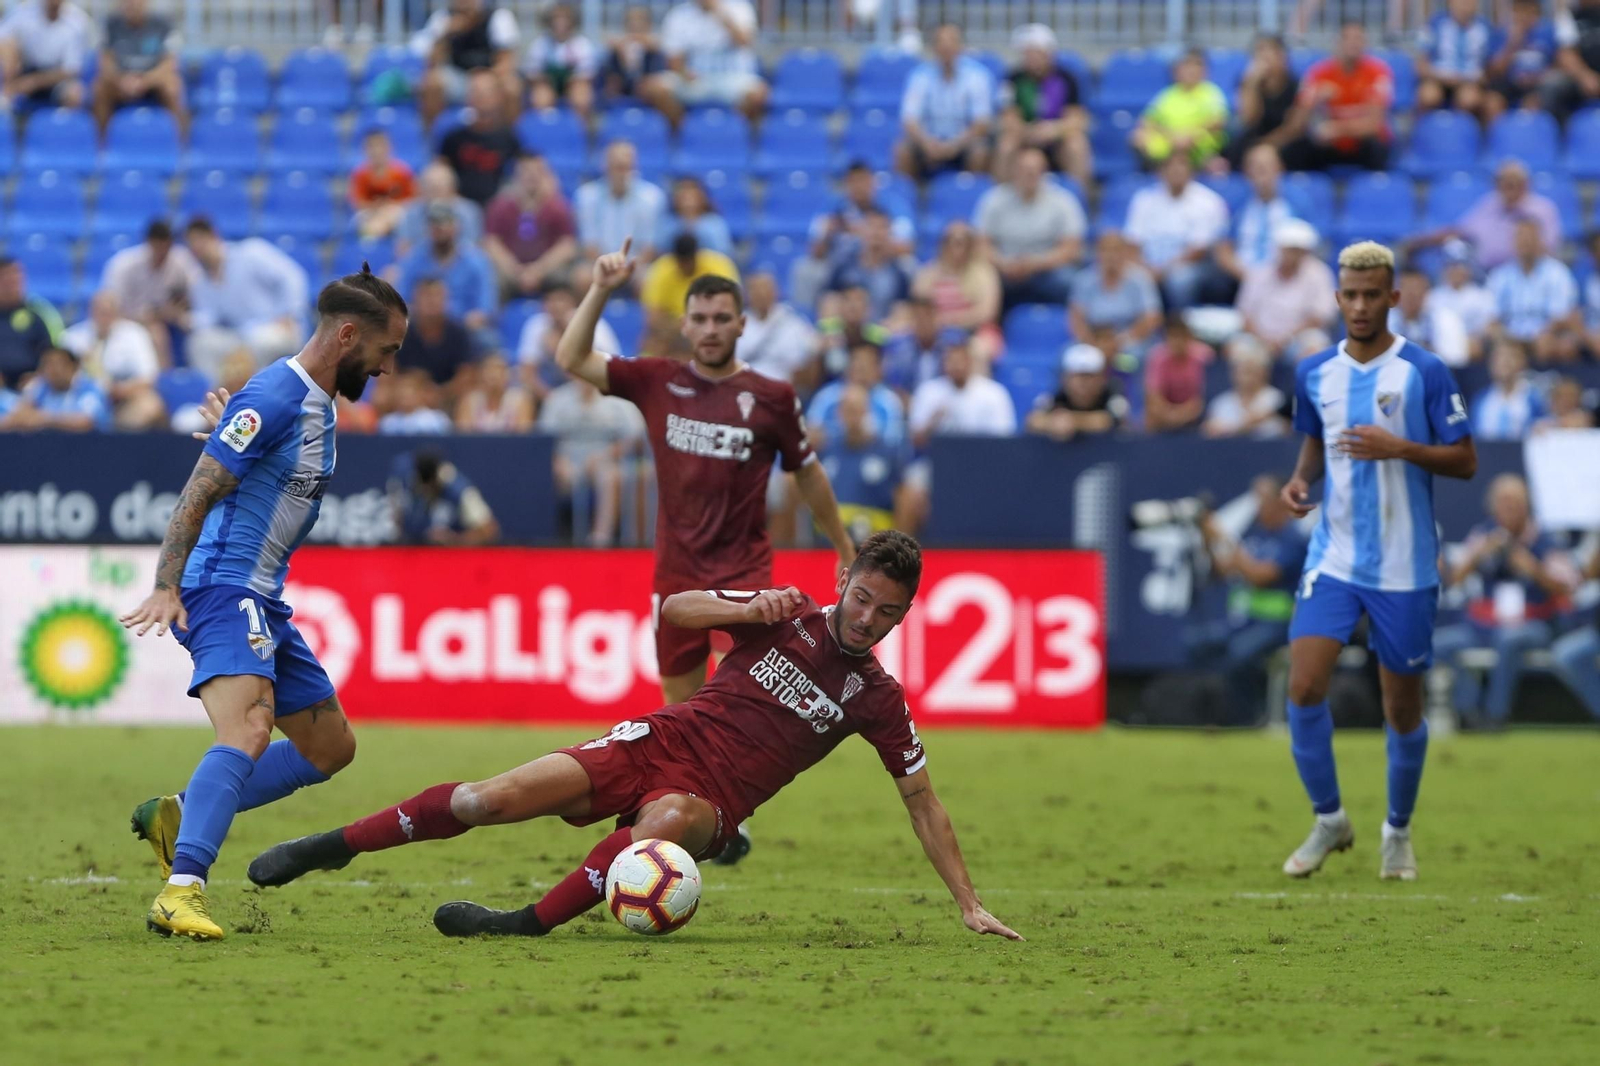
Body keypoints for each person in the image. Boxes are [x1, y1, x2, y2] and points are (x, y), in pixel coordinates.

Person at [246, 533, 1022, 943]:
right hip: (654, 740)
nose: (865, 619)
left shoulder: (879, 700)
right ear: (844, 578)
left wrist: (968, 902)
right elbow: (674, 613)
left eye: (886, 612)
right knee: (489, 799)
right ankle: (335, 843)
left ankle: (521, 924)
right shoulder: (783, 612)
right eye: (861, 598)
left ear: (903, 614)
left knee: (670, 826)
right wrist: (749, 610)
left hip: (715, 799)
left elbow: (921, 799)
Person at [118, 267, 407, 940]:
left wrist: (235, 434)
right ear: (345, 335)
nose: (390, 367)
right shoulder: (279, 394)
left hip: (263, 597)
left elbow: (256, 461)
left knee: (330, 747)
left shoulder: (312, 400)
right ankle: (181, 888)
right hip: (220, 586)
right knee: (248, 729)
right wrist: (167, 583)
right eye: (386, 349)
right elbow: (197, 491)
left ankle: (182, 813)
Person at [554, 242, 858, 864]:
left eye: (724, 318)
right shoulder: (658, 379)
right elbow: (572, 357)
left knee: (750, 699)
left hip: (745, 575)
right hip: (676, 580)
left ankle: (730, 810)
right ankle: (701, 816)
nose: (712, 329)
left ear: (743, 324)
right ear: (684, 323)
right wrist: (602, 288)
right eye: (702, 318)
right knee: (683, 711)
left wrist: (843, 545)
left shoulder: (770, 396)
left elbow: (808, 473)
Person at [1278, 240, 1476, 882]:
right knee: (1304, 684)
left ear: (1393, 298)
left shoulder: (1424, 371)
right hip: (1334, 555)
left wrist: (1399, 447)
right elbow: (1316, 437)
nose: (1360, 306)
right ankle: (1331, 819)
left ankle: (1397, 830)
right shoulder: (1314, 372)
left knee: (1402, 709)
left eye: (1372, 295)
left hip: (1404, 565)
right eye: (1351, 295)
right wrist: (1301, 480)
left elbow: (1466, 460)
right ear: (1337, 298)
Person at [1434, 474, 1576, 730]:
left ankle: (1495, 715)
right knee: (1439, 644)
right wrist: (1477, 556)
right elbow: (1453, 579)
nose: (1508, 509)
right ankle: (1470, 708)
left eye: (1514, 503)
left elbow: (1567, 589)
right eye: (1502, 503)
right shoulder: (1484, 535)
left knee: (1509, 640)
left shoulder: (1544, 539)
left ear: (1527, 506)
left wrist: (1533, 569)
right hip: (1486, 623)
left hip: (1533, 621)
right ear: (1492, 506)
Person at [1188, 474, 1309, 725]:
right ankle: (1214, 713)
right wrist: (1207, 539)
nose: (1257, 505)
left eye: (1262, 498)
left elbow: (1261, 575)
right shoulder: (1256, 536)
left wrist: (1223, 536)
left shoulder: (1292, 539)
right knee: (1198, 643)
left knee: (1240, 653)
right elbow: (1221, 571)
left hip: (1279, 623)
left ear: (1280, 501)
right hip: (1247, 621)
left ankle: (1249, 719)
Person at [184, 218, 310, 381]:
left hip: (275, 326)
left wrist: (290, 313)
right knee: (199, 343)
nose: (197, 249)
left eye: (199, 241)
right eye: (192, 245)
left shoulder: (251, 252)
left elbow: (293, 277)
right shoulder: (200, 281)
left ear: (213, 236)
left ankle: (256, 401)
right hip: (239, 335)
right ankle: (220, 398)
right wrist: (188, 321)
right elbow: (209, 318)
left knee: (259, 343)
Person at [538, 374, 646, 546]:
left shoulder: (618, 400)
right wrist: (559, 461)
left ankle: (600, 539)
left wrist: (607, 455)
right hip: (565, 462)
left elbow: (635, 438)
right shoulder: (557, 399)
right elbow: (543, 441)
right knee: (541, 474)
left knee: (610, 477)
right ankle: (544, 542)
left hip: (605, 460)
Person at [976, 147, 1085, 311]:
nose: (1030, 175)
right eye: (1025, 170)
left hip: (1047, 269)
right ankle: (991, 330)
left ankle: (1067, 328)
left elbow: (1072, 249)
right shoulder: (994, 199)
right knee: (982, 280)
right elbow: (981, 244)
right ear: (1014, 171)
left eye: (1035, 170)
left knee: (1069, 281)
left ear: (1044, 173)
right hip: (1005, 268)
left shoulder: (1063, 201)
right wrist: (1003, 263)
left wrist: (1035, 264)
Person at [1279, 23, 1394, 172]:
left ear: (1365, 43)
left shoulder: (1378, 73)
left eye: (1358, 38)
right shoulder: (1319, 74)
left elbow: (1374, 124)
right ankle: (1305, 189)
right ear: (1337, 42)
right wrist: (1315, 100)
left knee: (1377, 146)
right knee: (1296, 149)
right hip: (1330, 144)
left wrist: (1337, 129)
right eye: (1347, 38)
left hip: (1362, 144)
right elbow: (1297, 123)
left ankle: (1376, 189)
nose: (1353, 43)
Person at [1409, 160, 1561, 273]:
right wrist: (1421, 241)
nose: (1508, 190)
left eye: (1513, 184)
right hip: (1485, 274)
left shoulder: (1543, 209)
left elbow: (1548, 250)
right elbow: (1459, 230)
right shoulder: (1490, 203)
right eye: (1503, 184)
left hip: (1526, 274)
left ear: (1525, 185)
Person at [1124, 153, 1230, 310]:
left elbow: (1198, 251)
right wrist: (1145, 268)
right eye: (1171, 168)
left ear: (1191, 172)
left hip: (1194, 265)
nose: (1176, 173)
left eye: (1181, 168)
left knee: (1180, 279)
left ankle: (1179, 326)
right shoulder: (1144, 199)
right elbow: (1132, 242)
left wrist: (1162, 272)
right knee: (1127, 272)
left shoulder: (1208, 201)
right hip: (1149, 264)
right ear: (1161, 172)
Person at [896, 23, 994, 179]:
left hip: (963, 144)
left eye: (951, 41)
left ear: (961, 46)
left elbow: (981, 123)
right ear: (933, 47)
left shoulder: (977, 75)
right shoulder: (919, 76)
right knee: (902, 150)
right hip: (928, 143)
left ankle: (970, 195)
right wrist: (927, 143)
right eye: (941, 42)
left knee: (980, 151)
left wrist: (954, 146)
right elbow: (909, 119)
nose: (946, 46)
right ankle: (909, 199)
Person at [996, 22, 1089, 186]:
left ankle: (1079, 196)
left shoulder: (1067, 79)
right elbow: (1008, 117)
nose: (1032, 58)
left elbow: (1077, 119)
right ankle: (1002, 196)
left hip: (1057, 139)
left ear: (1049, 53)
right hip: (1025, 138)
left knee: (1077, 145)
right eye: (1027, 53)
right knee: (1006, 145)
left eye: (1036, 53)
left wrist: (1052, 130)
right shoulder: (1013, 79)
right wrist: (1029, 131)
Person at [647, 0, 767, 125]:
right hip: (695, 80)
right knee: (655, 89)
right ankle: (685, 133)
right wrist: (684, 73)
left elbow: (744, 41)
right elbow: (674, 58)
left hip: (733, 77)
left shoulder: (739, 7)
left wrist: (720, 13)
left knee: (758, 94)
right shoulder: (679, 14)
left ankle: (731, 130)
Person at [818, 384, 911, 543]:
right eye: (847, 410)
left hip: (875, 539)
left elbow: (902, 496)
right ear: (838, 413)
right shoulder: (826, 451)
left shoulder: (886, 452)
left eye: (857, 409)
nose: (852, 416)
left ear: (867, 411)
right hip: (829, 539)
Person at [60, 289, 164, 430]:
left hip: (121, 399)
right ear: (91, 311)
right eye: (100, 312)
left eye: (108, 313)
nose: (104, 317)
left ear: (117, 313)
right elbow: (57, 375)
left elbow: (149, 378)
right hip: (79, 399)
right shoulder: (72, 337)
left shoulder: (135, 335)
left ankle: (119, 442)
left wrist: (119, 391)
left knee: (150, 405)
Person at [394, 204, 499, 343]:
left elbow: (486, 308)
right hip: (422, 327)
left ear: (456, 227)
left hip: (464, 327)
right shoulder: (413, 259)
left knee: (487, 341)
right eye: (434, 224)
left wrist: (465, 323)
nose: (439, 228)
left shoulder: (477, 261)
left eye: (445, 223)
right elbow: (402, 304)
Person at [1236, 219, 1338, 361]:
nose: (1292, 255)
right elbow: (1245, 314)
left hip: (1299, 337)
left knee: (1315, 347)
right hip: (1260, 338)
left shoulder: (1319, 273)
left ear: (1306, 252)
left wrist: (1287, 338)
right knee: (1239, 348)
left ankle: (1305, 384)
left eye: (1297, 250)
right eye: (1289, 249)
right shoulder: (1259, 272)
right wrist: (1264, 339)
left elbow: (1320, 316)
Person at [101, 219, 200, 363]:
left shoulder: (181, 260)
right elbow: (109, 306)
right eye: (158, 247)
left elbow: (197, 291)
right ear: (149, 243)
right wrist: (145, 317)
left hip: (171, 320)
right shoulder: (124, 265)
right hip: (129, 320)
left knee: (194, 325)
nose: (162, 252)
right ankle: (162, 380)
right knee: (157, 333)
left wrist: (177, 309)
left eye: (166, 247)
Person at [411, 0, 521, 128]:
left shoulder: (498, 16)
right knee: (431, 83)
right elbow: (432, 62)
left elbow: (506, 62)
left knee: (511, 86)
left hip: (490, 77)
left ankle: (509, 138)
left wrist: (485, 80)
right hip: (457, 78)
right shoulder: (442, 18)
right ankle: (432, 138)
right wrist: (446, 34)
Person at [483, 152, 577, 298]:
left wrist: (538, 271)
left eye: (536, 171)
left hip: (548, 271)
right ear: (516, 175)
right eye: (526, 171)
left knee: (569, 279)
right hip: (510, 271)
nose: (531, 176)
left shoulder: (558, 207)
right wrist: (516, 270)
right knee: (491, 281)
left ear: (545, 174)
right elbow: (491, 243)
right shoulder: (500, 206)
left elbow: (567, 246)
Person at [1486, 218, 1581, 364]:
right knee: (1493, 340)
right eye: (1520, 237)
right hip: (1510, 338)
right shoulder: (1501, 275)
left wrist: (1540, 335)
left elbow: (1561, 317)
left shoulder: (1557, 273)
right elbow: (1493, 318)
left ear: (1540, 241)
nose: (1525, 242)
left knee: (1556, 344)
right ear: (1513, 241)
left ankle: (1544, 380)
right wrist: (1504, 336)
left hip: (1545, 336)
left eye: (1530, 237)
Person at [910, 222, 1002, 366]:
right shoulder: (928, 274)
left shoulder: (984, 273)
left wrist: (948, 320)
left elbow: (986, 312)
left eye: (961, 243)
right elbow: (919, 308)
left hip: (974, 332)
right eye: (950, 242)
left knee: (978, 351)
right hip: (936, 333)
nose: (955, 248)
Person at [515, 280, 621, 400]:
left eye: (561, 300)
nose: (556, 306)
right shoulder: (536, 325)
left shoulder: (591, 323)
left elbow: (597, 375)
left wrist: (558, 350)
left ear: (572, 302)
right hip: (549, 395)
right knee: (521, 393)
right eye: (550, 300)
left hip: (593, 388)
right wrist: (551, 400)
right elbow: (527, 373)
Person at [639, 233, 740, 358]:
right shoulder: (661, 269)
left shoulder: (718, 266)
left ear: (696, 255)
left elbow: (730, 309)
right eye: (681, 262)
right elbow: (653, 319)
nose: (685, 266)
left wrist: (695, 327)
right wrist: (684, 328)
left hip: (709, 326)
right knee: (651, 344)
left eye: (689, 261)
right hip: (673, 334)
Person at [93, 0, 184, 134]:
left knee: (173, 87)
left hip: (153, 81)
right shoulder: (111, 25)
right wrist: (121, 80)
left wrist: (144, 81)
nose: (132, 4)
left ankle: (178, 142)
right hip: (121, 81)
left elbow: (169, 64)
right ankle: (101, 145)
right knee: (100, 89)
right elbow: (105, 62)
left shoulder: (162, 24)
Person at [1216, 143, 1300, 286]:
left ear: (1280, 168)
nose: (1262, 171)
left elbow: (1306, 244)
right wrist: (1244, 275)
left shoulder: (1297, 202)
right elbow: (1223, 246)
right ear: (1247, 171)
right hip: (1241, 275)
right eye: (1256, 166)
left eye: (1268, 166)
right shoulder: (1238, 203)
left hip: (1284, 275)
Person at [1068, 231, 1163, 356]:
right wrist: (1091, 342)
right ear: (1097, 253)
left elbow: (1152, 318)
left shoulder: (1140, 279)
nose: (1111, 255)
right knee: (1072, 356)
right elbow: (1076, 318)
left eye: (1116, 250)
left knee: (1134, 357)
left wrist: (1121, 341)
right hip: (1094, 340)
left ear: (1125, 252)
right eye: (1105, 250)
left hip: (1130, 342)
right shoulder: (1084, 280)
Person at [437, 72, 522, 209]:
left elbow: (517, 176)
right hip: (458, 208)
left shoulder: (510, 138)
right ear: (468, 97)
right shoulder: (453, 138)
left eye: (486, 92)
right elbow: (441, 171)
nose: (481, 97)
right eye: (476, 92)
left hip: (497, 207)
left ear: (498, 97)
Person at [575, 141, 666, 268]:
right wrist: (608, 267)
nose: (622, 174)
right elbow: (589, 245)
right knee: (582, 277)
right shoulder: (587, 196)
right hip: (598, 263)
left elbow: (649, 247)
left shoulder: (652, 197)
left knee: (647, 280)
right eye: (617, 167)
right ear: (605, 167)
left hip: (637, 265)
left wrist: (628, 267)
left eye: (627, 167)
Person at [1133, 48, 1230, 168]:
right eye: (1187, 65)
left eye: (1197, 65)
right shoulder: (1167, 94)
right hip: (1169, 142)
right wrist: (1171, 136)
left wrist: (1190, 134)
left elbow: (1217, 121)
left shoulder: (1211, 92)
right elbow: (1147, 120)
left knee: (1186, 145)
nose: (1192, 70)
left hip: (1197, 145)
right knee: (1137, 136)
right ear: (1176, 70)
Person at [807, 342, 906, 451]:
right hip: (831, 457)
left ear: (877, 369)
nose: (860, 368)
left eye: (865, 364)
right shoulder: (827, 397)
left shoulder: (888, 401)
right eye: (856, 361)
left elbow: (895, 441)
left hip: (875, 458)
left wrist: (865, 434)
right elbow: (811, 434)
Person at [823, 208, 914, 325]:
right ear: (862, 230)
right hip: (844, 333)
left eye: (881, 227)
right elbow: (829, 302)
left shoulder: (899, 276)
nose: (876, 232)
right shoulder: (844, 268)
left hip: (881, 336)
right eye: (871, 226)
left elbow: (902, 313)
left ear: (889, 233)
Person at [389, 450, 500, 544]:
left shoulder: (461, 491)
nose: (426, 490)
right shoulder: (407, 481)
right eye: (422, 486)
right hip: (416, 556)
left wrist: (454, 540)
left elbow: (489, 530)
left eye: (430, 486)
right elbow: (398, 520)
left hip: (452, 559)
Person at [0, 0, 92, 111]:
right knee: (8, 47)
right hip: (26, 71)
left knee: (74, 93)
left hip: (56, 79)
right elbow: (3, 38)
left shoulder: (78, 21)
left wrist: (34, 82)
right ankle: (6, 107)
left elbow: (71, 70)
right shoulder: (25, 12)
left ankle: (63, 124)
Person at [1025, 342, 1126, 441]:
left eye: (1089, 376)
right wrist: (1053, 422)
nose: (1083, 383)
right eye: (1077, 376)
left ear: (1101, 379)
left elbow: (1109, 421)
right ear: (1065, 379)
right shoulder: (1057, 396)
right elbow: (1033, 420)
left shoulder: (1112, 394)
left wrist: (1073, 421)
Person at [735, 269, 819, 388]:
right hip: (744, 393)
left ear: (776, 291)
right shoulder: (736, 324)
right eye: (756, 289)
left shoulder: (793, 324)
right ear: (747, 294)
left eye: (766, 288)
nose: (762, 293)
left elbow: (808, 365)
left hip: (782, 393)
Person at [1415, 0, 1497, 119]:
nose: (1465, 6)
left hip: (1469, 81)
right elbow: (1421, 64)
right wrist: (1441, 76)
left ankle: (1463, 134)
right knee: (1428, 95)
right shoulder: (1434, 23)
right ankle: (1423, 133)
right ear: (1450, 3)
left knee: (1469, 99)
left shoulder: (1485, 27)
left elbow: (1489, 68)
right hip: (1438, 78)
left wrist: (1479, 78)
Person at [1227, 34, 1299, 168]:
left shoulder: (1295, 85)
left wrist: (1266, 146)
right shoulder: (1247, 82)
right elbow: (1249, 120)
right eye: (1260, 51)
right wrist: (1252, 83)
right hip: (1255, 139)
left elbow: (1294, 129)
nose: (1265, 57)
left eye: (1271, 51)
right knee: (1236, 148)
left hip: (1286, 141)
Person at [395, 276, 478, 393]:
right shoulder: (402, 333)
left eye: (437, 296)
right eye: (426, 296)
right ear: (415, 300)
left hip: (450, 397)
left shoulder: (459, 333)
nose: (431, 301)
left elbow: (466, 375)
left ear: (446, 300)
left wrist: (438, 394)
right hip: (409, 395)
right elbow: (391, 372)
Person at [2, 345, 110, 431]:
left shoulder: (90, 388)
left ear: (74, 366)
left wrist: (45, 419)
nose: (54, 370)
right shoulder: (40, 388)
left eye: (59, 364)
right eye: (48, 364)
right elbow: (20, 415)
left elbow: (85, 422)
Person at [1202, 334, 1289, 439]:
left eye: (1251, 370)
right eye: (1241, 370)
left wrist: (1233, 428)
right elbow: (1210, 432)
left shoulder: (1277, 400)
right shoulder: (1221, 403)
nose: (1246, 377)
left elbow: (1285, 430)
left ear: (1264, 372)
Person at [1486, 0, 1561, 119]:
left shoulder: (1548, 32)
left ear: (1536, 13)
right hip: (1509, 83)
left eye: (1528, 11)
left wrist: (1539, 78)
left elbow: (1557, 65)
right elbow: (1495, 71)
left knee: (1536, 102)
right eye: (1519, 11)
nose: (1524, 16)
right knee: (1492, 102)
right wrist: (1512, 45)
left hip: (1537, 85)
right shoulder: (1501, 33)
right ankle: (1497, 136)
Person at [521, 2, 596, 119]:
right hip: (547, 84)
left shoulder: (582, 44)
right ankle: (546, 130)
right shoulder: (540, 44)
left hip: (573, 84)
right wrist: (547, 81)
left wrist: (569, 81)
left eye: (564, 18)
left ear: (572, 22)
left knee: (581, 97)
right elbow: (532, 74)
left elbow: (586, 75)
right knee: (541, 97)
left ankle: (580, 132)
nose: (560, 23)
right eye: (556, 19)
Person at [394, 162, 485, 257]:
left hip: (459, 268)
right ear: (422, 190)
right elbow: (403, 252)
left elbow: (475, 251)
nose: (435, 195)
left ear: (452, 189)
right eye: (430, 188)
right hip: (420, 268)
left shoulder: (469, 212)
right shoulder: (410, 212)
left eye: (439, 188)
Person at [1143, 313, 1214, 433]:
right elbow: (1153, 396)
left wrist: (1181, 415)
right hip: (1165, 413)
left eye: (1181, 336)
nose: (1177, 342)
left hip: (1195, 414)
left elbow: (1203, 397)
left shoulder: (1204, 356)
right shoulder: (1157, 357)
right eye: (1172, 337)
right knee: (1150, 416)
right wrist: (1170, 415)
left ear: (1188, 337)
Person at [881, 296, 963, 399]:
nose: (923, 323)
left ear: (936, 318)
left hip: (947, 402)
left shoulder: (951, 343)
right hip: (909, 404)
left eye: (927, 317)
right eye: (918, 318)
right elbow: (894, 385)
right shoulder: (900, 349)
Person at [0, 256, 64, 389]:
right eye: (6, 279)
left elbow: (55, 354)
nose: (12, 285)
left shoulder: (41, 312)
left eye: (16, 278)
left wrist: (39, 376)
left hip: (33, 386)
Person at [1388, 266, 1469, 367]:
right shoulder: (1383, 321)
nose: (1411, 295)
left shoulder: (1445, 319)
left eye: (1416, 289)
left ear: (1426, 292)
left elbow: (1457, 358)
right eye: (1405, 289)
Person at [1427, 239, 1493, 362]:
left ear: (1469, 267)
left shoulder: (1482, 296)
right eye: (1451, 265)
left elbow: (1490, 327)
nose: (1456, 270)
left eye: (1460, 265)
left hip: (1473, 355)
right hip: (1440, 353)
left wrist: (1477, 340)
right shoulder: (1433, 297)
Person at [349, 129, 418, 241]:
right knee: (360, 221)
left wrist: (388, 208)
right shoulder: (360, 174)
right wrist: (376, 208)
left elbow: (411, 201)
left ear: (389, 148)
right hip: (370, 213)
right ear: (365, 150)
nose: (377, 151)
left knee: (395, 215)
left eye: (380, 146)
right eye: (372, 146)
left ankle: (373, 238)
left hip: (395, 213)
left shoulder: (402, 172)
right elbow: (358, 203)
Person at [1471, 339, 1546, 441]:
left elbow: (1543, 427)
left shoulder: (1535, 399)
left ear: (1522, 362)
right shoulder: (1481, 399)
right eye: (1498, 357)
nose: (1504, 362)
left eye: (1510, 357)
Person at [1544, 0, 1600, 120]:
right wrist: (1584, 76)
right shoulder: (1569, 15)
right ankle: (1564, 134)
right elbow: (1566, 53)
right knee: (1552, 87)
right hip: (1582, 77)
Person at [600, 4, 666, 104]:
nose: (636, 26)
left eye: (640, 23)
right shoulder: (616, 51)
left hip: (649, 97)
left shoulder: (656, 52)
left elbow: (659, 77)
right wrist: (623, 60)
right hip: (621, 93)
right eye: (632, 24)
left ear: (648, 26)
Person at [655, 176, 733, 258]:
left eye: (692, 195)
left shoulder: (715, 223)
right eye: (684, 196)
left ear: (702, 197)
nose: (688, 201)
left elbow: (723, 253)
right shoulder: (668, 223)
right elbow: (660, 252)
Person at [455, 351, 532, 432]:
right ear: (481, 374)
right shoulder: (469, 401)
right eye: (489, 369)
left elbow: (524, 438)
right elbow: (463, 438)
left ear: (508, 374)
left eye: (499, 369)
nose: (494, 374)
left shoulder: (521, 401)